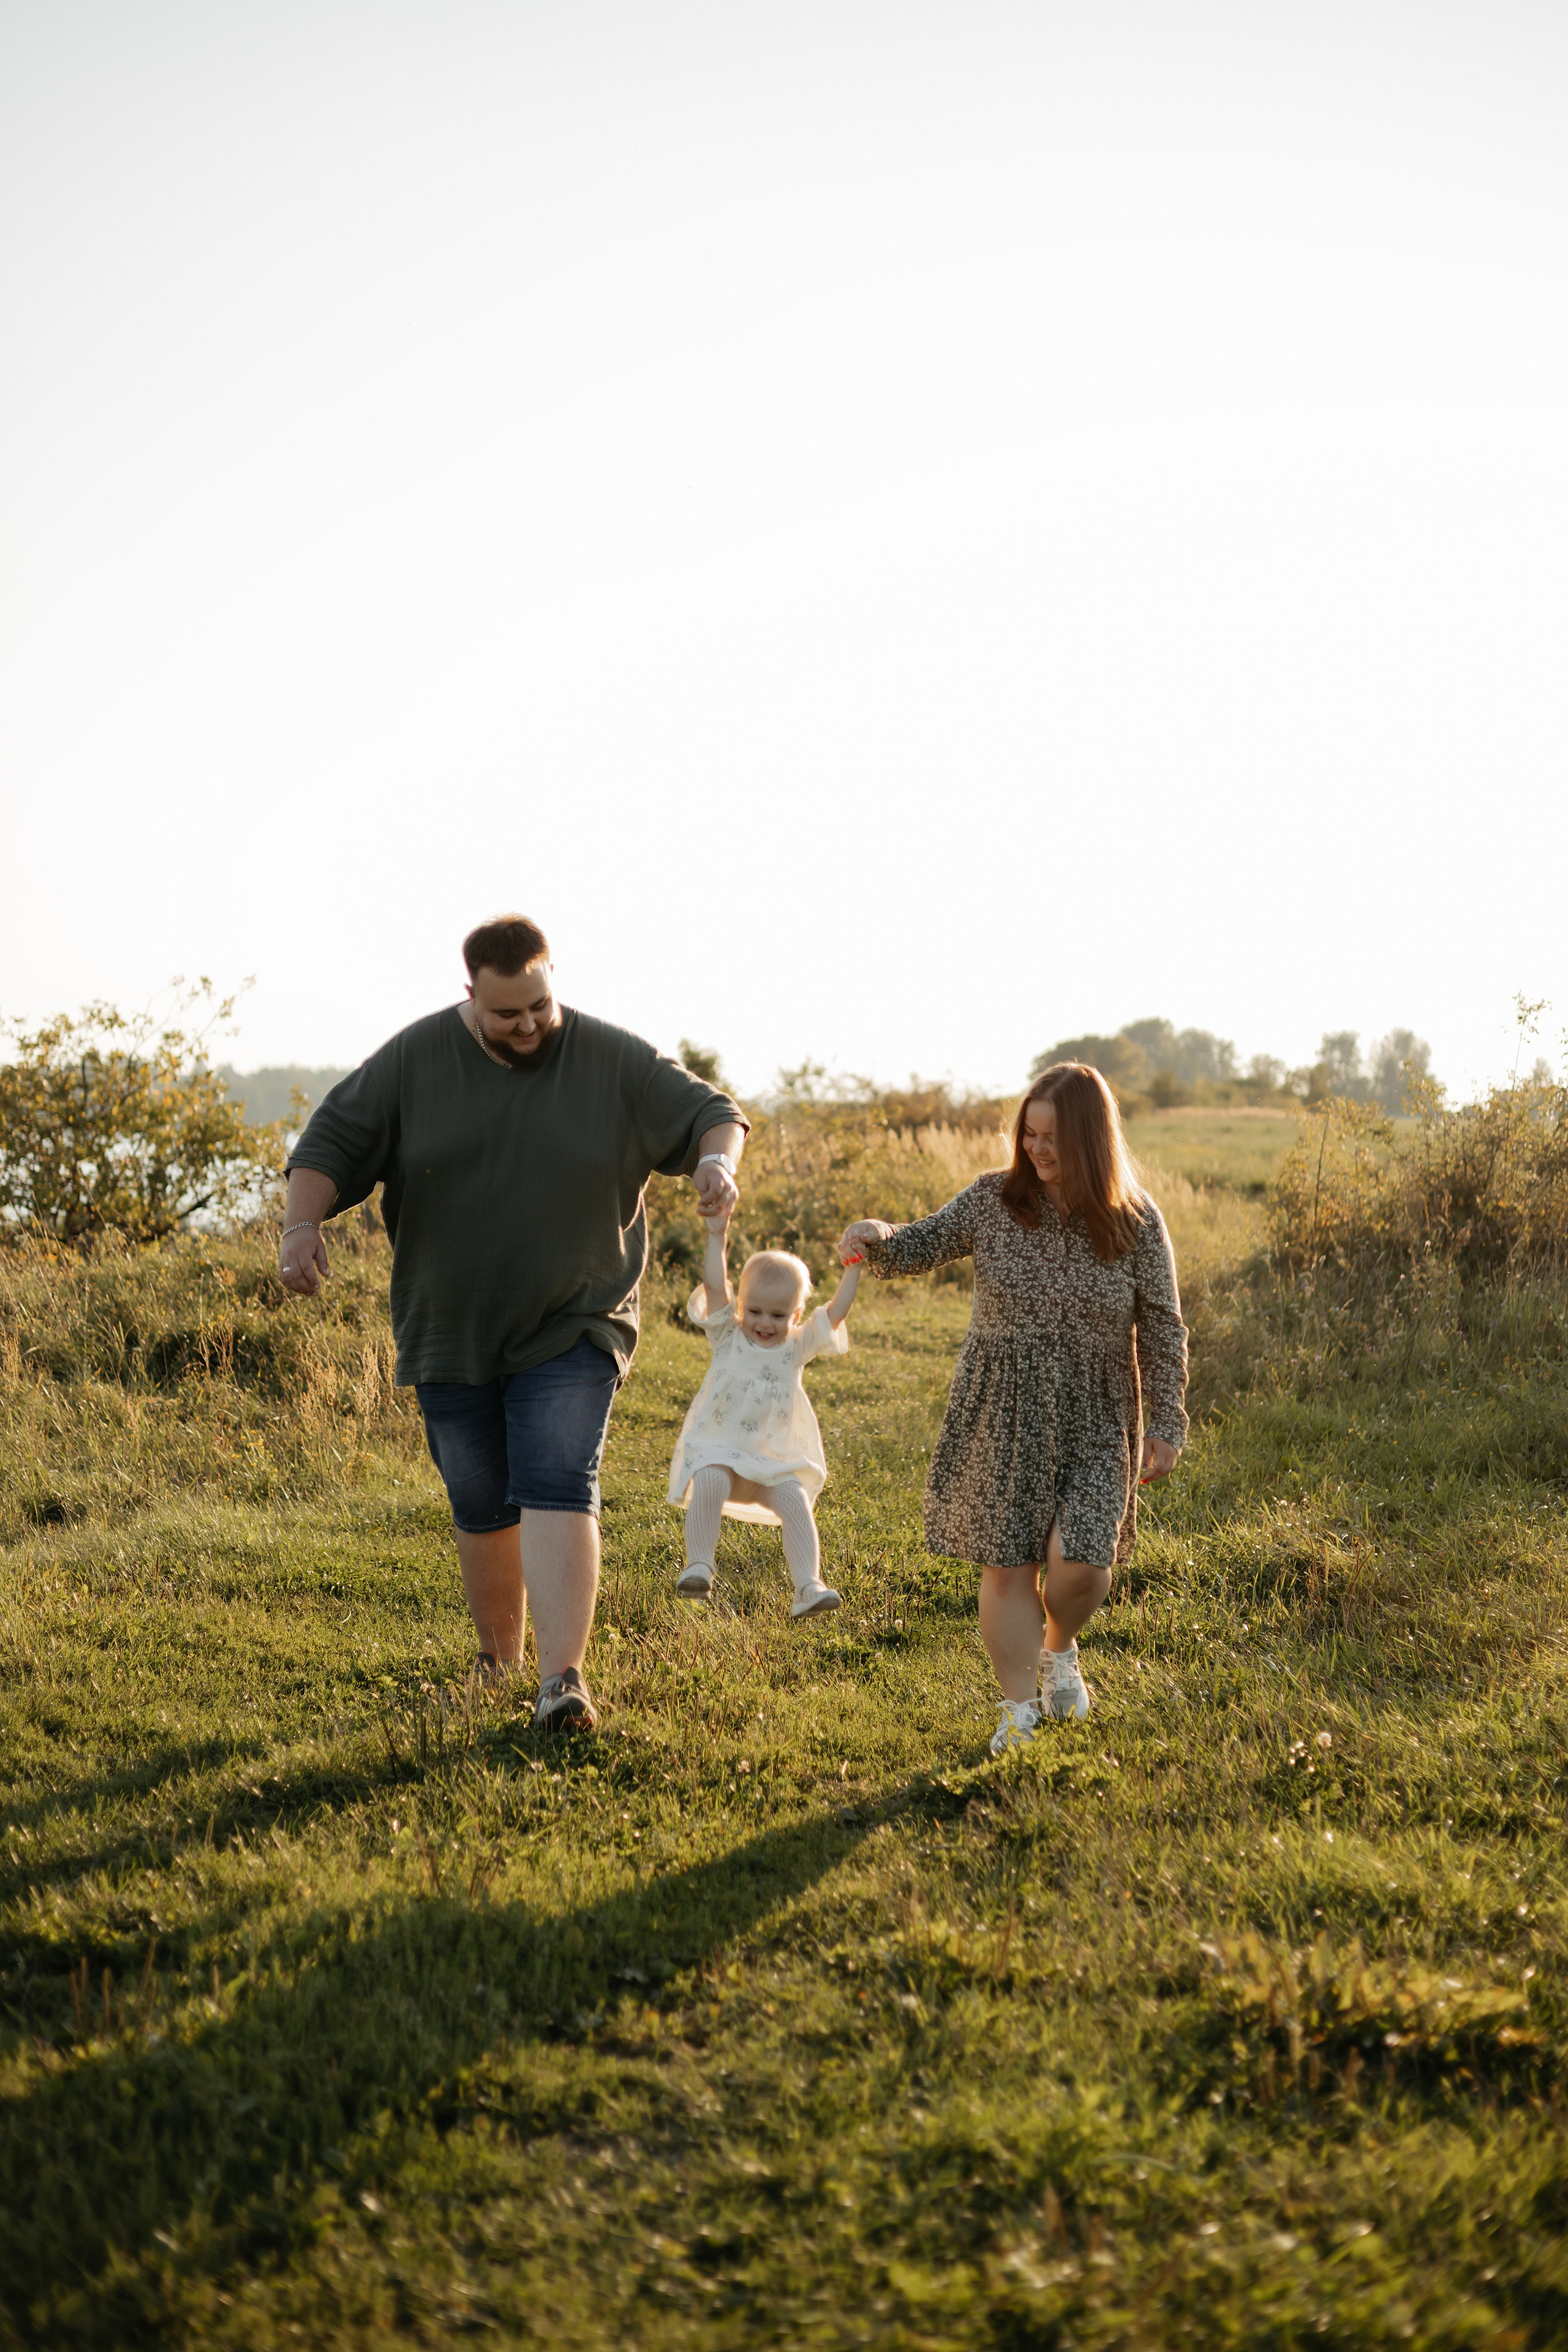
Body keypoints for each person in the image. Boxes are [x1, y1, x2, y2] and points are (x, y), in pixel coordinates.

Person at [277, 913, 747, 1734]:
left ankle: (562, 1680)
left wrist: (715, 1160)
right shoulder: (415, 1060)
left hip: (579, 1316)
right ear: (471, 995)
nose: (529, 1025)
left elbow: (714, 1111)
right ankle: (498, 1660)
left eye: (540, 1005)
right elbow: (329, 1142)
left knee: (558, 1477)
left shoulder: (609, 1057)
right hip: (449, 1325)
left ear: (551, 979)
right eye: (507, 1014)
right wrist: (299, 1227)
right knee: (481, 1498)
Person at [840, 1061, 1187, 1754]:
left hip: (1098, 1412)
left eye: (1053, 1136)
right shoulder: (993, 1199)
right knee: (1006, 1567)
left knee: (1082, 1563)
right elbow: (917, 1243)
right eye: (1029, 1133)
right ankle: (1018, 1712)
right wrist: (875, 1233)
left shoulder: (1136, 1220)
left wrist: (1168, 1420)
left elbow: (1162, 1326)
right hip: (1003, 1406)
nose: (1037, 1148)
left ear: (1093, 1137)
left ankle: (1059, 1650)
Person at [668, 1205, 861, 1619]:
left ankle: (808, 1586)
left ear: (795, 1316)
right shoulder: (728, 1336)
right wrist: (717, 1235)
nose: (765, 1323)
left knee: (795, 1501)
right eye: (755, 1311)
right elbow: (713, 1285)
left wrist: (853, 1268)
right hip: (721, 1454)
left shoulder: (796, 1347)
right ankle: (699, 1565)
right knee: (709, 1479)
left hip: (772, 1464)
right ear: (741, 1306)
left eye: (778, 1315)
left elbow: (835, 1313)